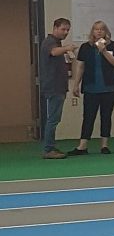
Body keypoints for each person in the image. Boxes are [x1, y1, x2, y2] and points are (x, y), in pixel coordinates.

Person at [70, 20, 114, 155]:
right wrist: (76, 84)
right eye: (96, 29)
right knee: (88, 116)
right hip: (90, 87)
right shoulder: (85, 47)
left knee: (106, 115)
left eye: (102, 29)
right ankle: (83, 145)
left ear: (106, 32)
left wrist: (104, 51)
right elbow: (80, 66)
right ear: (92, 32)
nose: (99, 31)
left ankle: (104, 145)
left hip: (109, 87)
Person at [38, 18, 76, 159]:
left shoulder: (57, 43)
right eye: (63, 29)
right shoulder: (49, 42)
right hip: (53, 87)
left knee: (54, 118)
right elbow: (53, 52)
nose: (66, 32)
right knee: (52, 119)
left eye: (68, 30)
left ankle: (51, 146)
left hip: (59, 87)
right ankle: (48, 149)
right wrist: (67, 48)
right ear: (55, 28)